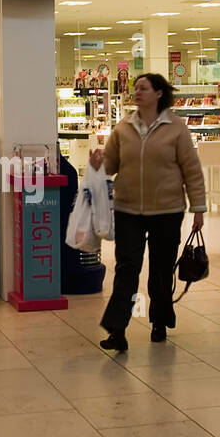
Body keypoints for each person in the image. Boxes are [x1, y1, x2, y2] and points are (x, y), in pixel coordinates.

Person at [89, 73, 207, 352]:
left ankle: (160, 322)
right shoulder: (123, 128)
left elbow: (192, 170)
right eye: (136, 88)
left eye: (144, 88)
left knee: (161, 270)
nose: (137, 91)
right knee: (126, 268)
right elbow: (110, 165)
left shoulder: (176, 128)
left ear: (158, 94)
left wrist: (199, 208)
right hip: (128, 209)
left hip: (167, 210)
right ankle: (118, 329)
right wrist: (97, 164)